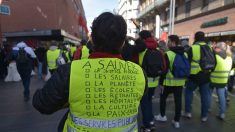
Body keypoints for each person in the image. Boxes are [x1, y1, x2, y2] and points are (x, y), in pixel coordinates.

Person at [33, 12, 147, 132]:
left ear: (92, 39)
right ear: (123, 42)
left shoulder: (70, 72)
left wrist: (69, 99)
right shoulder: (139, 74)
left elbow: (41, 103)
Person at [155, 35, 188, 128]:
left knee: (163, 99)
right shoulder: (185, 54)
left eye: (168, 41)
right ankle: (176, 121)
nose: (167, 43)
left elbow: (164, 70)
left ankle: (162, 116)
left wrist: (161, 83)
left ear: (173, 42)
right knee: (178, 101)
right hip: (180, 82)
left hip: (167, 82)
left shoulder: (168, 54)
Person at [184, 31, 213, 122]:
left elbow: (187, 62)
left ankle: (188, 112)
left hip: (194, 76)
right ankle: (204, 116)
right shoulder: (209, 48)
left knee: (188, 92)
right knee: (205, 96)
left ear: (195, 38)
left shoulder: (193, 48)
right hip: (206, 75)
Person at [137, 30, 160, 131]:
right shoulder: (157, 48)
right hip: (155, 80)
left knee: (144, 104)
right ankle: (151, 122)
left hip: (145, 81)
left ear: (142, 38)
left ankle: (147, 126)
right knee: (149, 101)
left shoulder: (142, 49)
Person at [209, 42, 232, 120]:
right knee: (222, 97)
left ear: (219, 48)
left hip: (212, 79)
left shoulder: (215, 57)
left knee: (208, 94)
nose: (215, 49)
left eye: (216, 47)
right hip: (223, 80)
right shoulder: (230, 58)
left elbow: (210, 67)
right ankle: (222, 113)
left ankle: (207, 108)